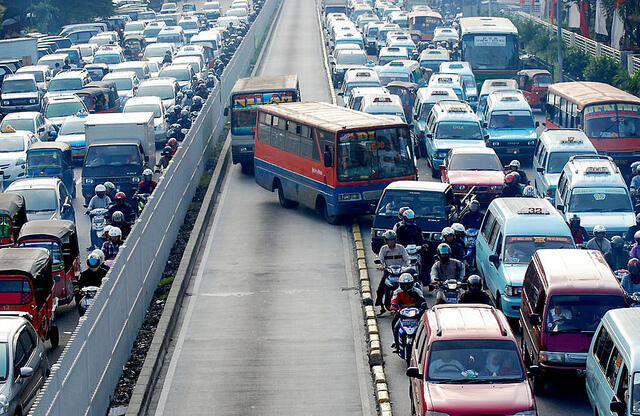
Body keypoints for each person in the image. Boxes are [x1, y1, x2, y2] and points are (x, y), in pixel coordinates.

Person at [375, 230, 410, 315]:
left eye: (393, 240)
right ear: (386, 241)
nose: (391, 242)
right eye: (389, 240)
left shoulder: (401, 248)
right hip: (389, 272)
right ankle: (381, 307)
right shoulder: (383, 249)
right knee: (379, 290)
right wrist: (381, 266)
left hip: (400, 272)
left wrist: (407, 266)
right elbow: (381, 260)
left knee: (410, 285)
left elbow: (407, 259)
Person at [390, 273, 427, 352]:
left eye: (408, 285)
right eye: (404, 285)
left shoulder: (417, 291)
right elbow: (394, 301)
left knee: (423, 326)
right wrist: (393, 309)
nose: (406, 287)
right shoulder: (397, 292)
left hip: (415, 313)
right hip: (402, 313)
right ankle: (396, 343)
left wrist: (424, 307)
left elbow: (422, 300)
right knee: (395, 326)